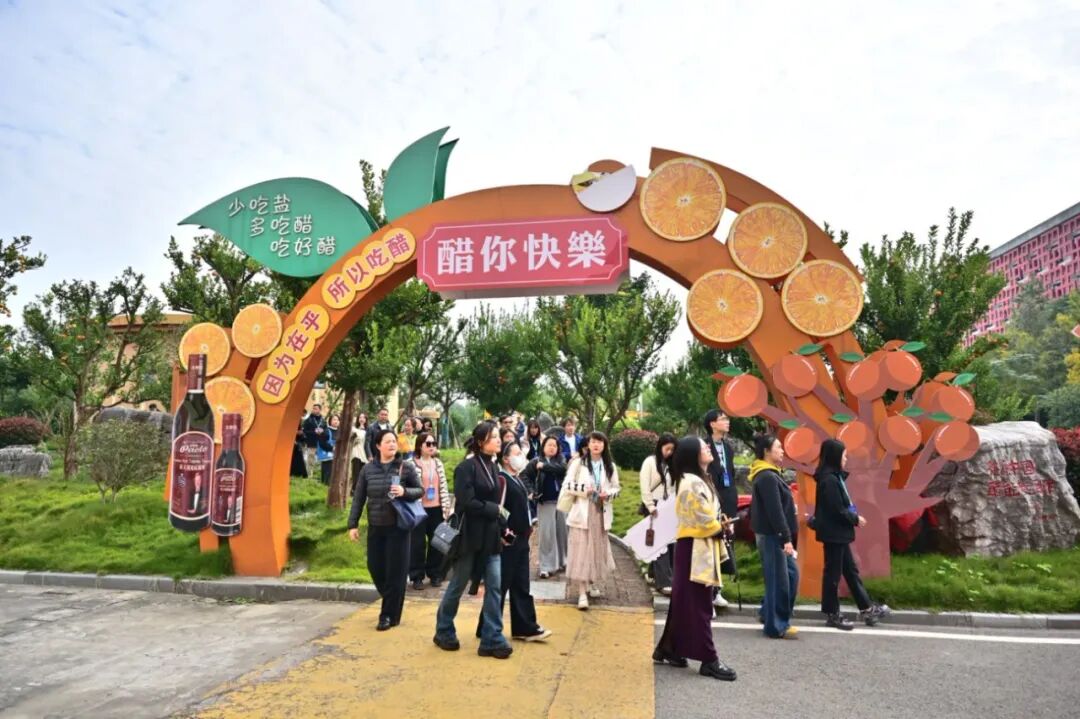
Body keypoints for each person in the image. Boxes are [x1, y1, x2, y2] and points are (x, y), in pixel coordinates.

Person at [653, 436, 738, 681]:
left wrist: (720, 525)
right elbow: (701, 517)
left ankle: (669, 648)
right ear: (693, 454)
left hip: (696, 545)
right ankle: (709, 659)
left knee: (685, 602)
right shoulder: (691, 482)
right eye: (704, 447)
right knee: (700, 605)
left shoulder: (697, 478)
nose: (709, 448)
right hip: (695, 547)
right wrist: (720, 527)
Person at [434, 422, 513, 659]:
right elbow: (466, 502)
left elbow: (497, 504)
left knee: (495, 586)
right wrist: (493, 509)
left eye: (498, 436)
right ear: (480, 442)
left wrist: (503, 526)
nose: (498, 440)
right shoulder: (466, 468)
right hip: (469, 536)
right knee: (458, 584)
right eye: (493, 437)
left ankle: (492, 638)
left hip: (491, 536)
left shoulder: (493, 466)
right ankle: (443, 630)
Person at [347, 428, 423, 631]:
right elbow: (358, 498)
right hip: (376, 526)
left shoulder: (406, 467)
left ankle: (387, 615)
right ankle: (393, 603)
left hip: (398, 527)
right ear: (378, 445)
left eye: (394, 441)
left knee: (395, 572)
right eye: (387, 441)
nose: (392, 444)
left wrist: (404, 491)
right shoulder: (367, 470)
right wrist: (352, 524)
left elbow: (420, 491)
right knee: (375, 567)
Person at [812, 438, 891, 629]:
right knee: (833, 574)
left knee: (850, 571)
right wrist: (855, 518)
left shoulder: (834, 477)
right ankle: (832, 614)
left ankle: (867, 609)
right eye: (843, 455)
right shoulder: (829, 480)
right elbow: (836, 509)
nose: (846, 459)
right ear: (834, 457)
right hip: (834, 533)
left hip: (838, 533)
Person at [477, 442, 552, 642]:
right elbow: (498, 509)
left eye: (521, 453)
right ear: (505, 459)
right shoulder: (502, 480)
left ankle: (524, 627)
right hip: (509, 541)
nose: (521, 457)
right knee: (501, 585)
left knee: (520, 584)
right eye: (516, 453)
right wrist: (505, 532)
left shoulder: (516, 479)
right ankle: (487, 627)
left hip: (521, 539)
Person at [750, 433, 799, 639]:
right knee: (779, 580)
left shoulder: (771, 474)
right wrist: (785, 538)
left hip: (774, 535)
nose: (782, 451)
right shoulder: (767, 477)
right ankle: (776, 625)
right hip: (772, 536)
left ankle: (768, 613)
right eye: (778, 447)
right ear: (766, 452)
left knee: (791, 575)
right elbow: (775, 511)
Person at [562, 431, 619, 610]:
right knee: (581, 551)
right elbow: (567, 485)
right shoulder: (578, 463)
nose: (596, 445)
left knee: (595, 550)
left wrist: (607, 494)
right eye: (593, 441)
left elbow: (616, 488)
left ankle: (592, 583)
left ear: (604, 445)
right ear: (588, 444)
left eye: (600, 442)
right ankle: (581, 592)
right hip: (582, 513)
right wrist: (584, 490)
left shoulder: (609, 466)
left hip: (600, 512)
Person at [703, 409, 738, 608]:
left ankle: (718, 589)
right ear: (712, 424)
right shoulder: (704, 447)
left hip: (728, 500)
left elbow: (730, 473)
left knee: (725, 543)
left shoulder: (728, 448)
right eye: (723, 419)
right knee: (711, 546)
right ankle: (709, 590)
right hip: (711, 500)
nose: (727, 422)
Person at [408, 431, 451, 590]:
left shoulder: (438, 463)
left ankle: (435, 574)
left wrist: (446, 506)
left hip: (437, 509)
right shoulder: (411, 463)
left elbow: (443, 486)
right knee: (417, 544)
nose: (432, 446)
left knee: (438, 543)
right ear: (420, 445)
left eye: (434, 443)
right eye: (428, 444)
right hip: (418, 509)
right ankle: (417, 576)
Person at [522, 435, 568, 579]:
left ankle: (563, 561)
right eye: (549, 445)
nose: (552, 448)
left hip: (562, 502)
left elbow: (562, 469)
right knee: (547, 535)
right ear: (543, 447)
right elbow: (524, 476)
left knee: (563, 532)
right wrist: (531, 491)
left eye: (555, 445)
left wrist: (544, 466)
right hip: (545, 502)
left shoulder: (560, 459)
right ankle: (546, 566)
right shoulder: (535, 461)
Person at [640, 432, 677, 595]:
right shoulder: (650, 462)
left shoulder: (673, 464)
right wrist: (650, 506)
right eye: (667, 449)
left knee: (666, 543)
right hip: (654, 506)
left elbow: (674, 488)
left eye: (672, 450)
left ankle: (652, 574)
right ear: (660, 446)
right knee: (660, 544)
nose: (669, 452)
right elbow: (644, 486)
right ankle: (664, 582)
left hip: (668, 506)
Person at [302, 404, 327, 473]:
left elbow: (326, 431)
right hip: (311, 442)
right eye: (313, 408)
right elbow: (304, 431)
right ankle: (309, 474)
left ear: (320, 410)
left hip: (321, 443)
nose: (313, 410)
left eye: (315, 409)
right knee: (311, 458)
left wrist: (322, 431)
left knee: (321, 459)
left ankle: (319, 474)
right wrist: (314, 432)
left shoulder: (323, 420)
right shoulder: (308, 420)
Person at [316, 414, 340, 485]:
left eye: (337, 420)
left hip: (337, 456)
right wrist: (332, 448)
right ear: (330, 421)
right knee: (327, 476)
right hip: (327, 457)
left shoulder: (340, 432)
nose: (336, 421)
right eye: (334, 419)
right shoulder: (326, 431)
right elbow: (322, 443)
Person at [350, 413, 368, 494]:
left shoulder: (368, 430)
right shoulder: (353, 429)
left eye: (364, 417)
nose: (362, 419)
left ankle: (361, 492)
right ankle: (354, 491)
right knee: (356, 474)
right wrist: (359, 431)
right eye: (360, 417)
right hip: (356, 453)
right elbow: (351, 442)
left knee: (363, 474)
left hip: (365, 455)